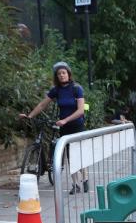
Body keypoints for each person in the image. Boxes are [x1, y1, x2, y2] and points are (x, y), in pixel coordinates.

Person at [21, 62, 87, 194]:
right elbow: (42, 105)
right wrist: (30, 116)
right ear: (56, 76)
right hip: (64, 127)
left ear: (68, 74)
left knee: (78, 155)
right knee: (69, 155)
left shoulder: (76, 88)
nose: (61, 75)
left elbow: (80, 111)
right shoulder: (56, 90)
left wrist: (65, 120)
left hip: (77, 125)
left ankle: (85, 179)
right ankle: (75, 184)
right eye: (59, 74)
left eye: (64, 73)